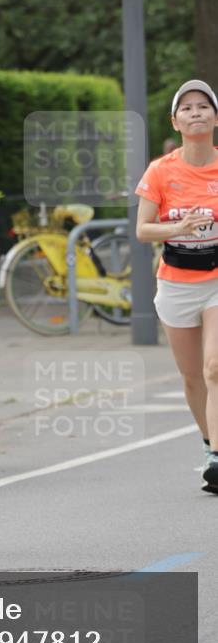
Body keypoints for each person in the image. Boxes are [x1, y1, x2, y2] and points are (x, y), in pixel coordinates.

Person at [135, 79, 218, 493]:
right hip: (177, 281)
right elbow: (143, 230)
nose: (196, 112)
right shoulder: (161, 171)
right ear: (175, 121)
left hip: (217, 277)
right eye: (187, 108)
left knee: (214, 366)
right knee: (192, 378)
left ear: (215, 118)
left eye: (204, 106)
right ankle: (210, 448)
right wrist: (178, 225)